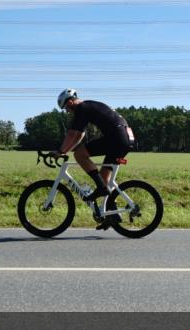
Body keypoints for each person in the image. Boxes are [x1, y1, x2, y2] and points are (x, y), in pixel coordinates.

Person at [52, 89, 135, 228]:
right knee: (103, 179)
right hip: (125, 139)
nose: (67, 111)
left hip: (117, 138)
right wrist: (65, 150)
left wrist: (61, 151)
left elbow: (73, 134)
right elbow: (79, 135)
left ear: (71, 101)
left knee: (79, 154)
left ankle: (102, 189)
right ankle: (111, 215)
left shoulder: (81, 108)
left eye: (66, 107)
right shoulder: (88, 107)